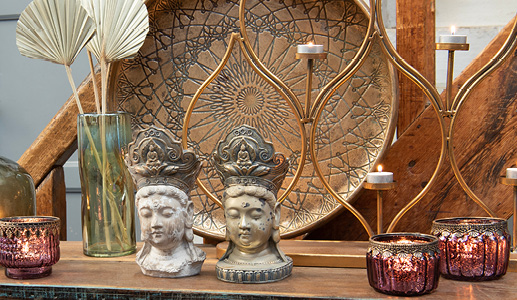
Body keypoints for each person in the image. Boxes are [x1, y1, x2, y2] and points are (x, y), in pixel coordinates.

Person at [135, 185, 205, 278]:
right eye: (146, 214)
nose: (155, 223)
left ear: (188, 214)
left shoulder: (193, 261)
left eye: (167, 214)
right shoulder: (143, 260)